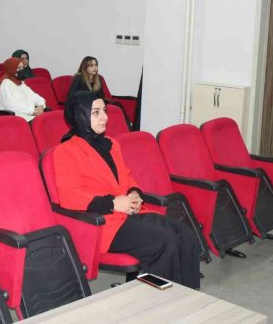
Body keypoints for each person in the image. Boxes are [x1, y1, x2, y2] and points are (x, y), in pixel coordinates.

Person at [53, 91, 200, 289]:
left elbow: (127, 175)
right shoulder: (65, 151)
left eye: (104, 110)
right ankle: (159, 299)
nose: (104, 117)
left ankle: (185, 294)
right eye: (96, 112)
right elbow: (69, 196)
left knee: (187, 235)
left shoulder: (111, 144)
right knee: (166, 241)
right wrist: (113, 203)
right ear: (80, 116)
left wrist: (134, 193)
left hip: (128, 214)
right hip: (103, 223)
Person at [0, 57, 45, 122]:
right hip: (17, 118)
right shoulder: (5, 84)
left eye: (22, 67)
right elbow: (11, 105)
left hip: (30, 115)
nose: (22, 70)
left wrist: (40, 106)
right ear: (12, 70)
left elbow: (35, 96)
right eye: (19, 68)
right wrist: (33, 110)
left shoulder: (20, 83)